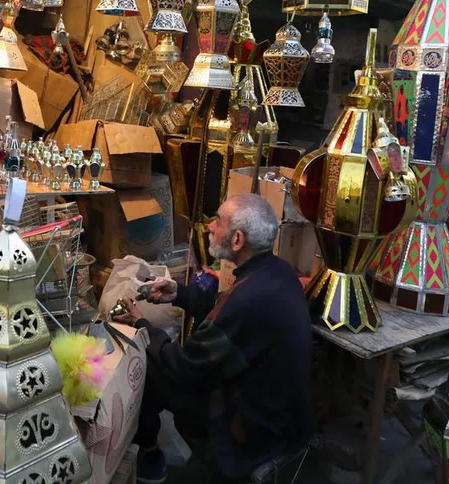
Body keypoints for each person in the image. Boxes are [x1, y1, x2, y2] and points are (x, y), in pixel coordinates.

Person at [112, 194, 314, 483]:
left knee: (150, 363)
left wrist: (143, 326)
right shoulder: (277, 272)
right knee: (158, 353)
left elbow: (184, 366)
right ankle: (150, 449)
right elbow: (225, 305)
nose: (209, 227)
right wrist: (179, 294)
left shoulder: (250, 299)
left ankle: (150, 454)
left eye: (218, 221)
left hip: (254, 425)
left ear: (237, 240)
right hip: (280, 412)